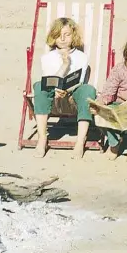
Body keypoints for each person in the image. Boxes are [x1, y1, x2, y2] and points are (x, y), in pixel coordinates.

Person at [32, 17, 98, 159]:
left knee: (88, 89)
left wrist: (66, 90)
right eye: (58, 35)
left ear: (73, 36)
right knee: (39, 87)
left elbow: (79, 80)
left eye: (67, 34)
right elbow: (49, 80)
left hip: (73, 94)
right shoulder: (47, 57)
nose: (62, 38)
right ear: (53, 37)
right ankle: (42, 138)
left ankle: (80, 141)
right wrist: (65, 65)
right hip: (52, 94)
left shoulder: (82, 57)